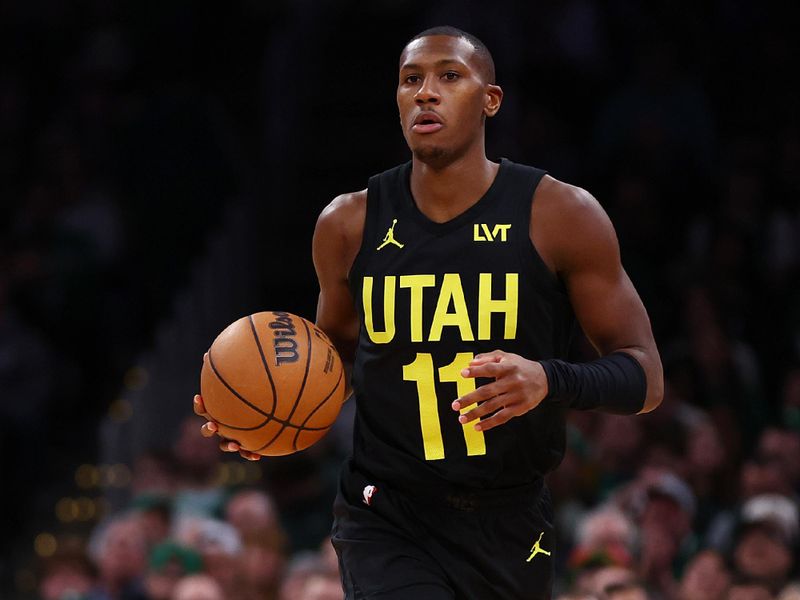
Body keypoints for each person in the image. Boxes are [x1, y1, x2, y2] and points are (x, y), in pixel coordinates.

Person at [195, 25, 663, 599]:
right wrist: (267, 416)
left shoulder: (560, 214)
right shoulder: (346, 224)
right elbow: (333, 364)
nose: (425, 92)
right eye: (410, 80)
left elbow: (645, 376)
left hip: (510, 516)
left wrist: (549, 378)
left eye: (448, 76)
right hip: (387, 514)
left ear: (490, 99)